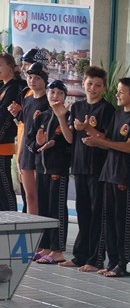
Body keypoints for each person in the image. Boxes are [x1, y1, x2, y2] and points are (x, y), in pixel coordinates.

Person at [83, 77, 130, 277]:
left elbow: (128, 147)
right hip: (109, 173)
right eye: (117, 91)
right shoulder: (118, 114)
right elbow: (107, 138)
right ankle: (112, 262)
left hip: (124, 175)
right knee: (108, 220)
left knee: (123, 220)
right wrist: (89, 131)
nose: (117, 94)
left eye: (121, 92)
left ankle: (125, 264)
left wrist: (101, 143)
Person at [59, 66, 115, 271]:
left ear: (104, 87)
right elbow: (70, 138)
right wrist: (60, 117)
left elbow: (107, 139)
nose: (93, 88)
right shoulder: (77, 107)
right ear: (83, 84)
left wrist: (88, 128)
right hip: (80, 165)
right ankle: (80, 256)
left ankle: (96, 259)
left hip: (98, 168)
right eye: (90, 84)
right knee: (83, 212)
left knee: (97, 213)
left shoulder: (107, 109)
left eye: (98, 85)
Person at [26, 80, 71, 264]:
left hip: (58, 170)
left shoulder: (68, 117)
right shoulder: (41, 116)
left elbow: (71, 144)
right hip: (41, 169)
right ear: (47, 94)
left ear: (65, 97)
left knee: (57, 209)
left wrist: (54, 144)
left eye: (60, 93)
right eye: (52, 92)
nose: (55, 96)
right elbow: (29, 143)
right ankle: (45, 246)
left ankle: (57, 250)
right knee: (43, 208)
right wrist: (38, 143)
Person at [9, 62, 50, 217]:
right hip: (26, 152)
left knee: (40, 196)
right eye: (30, 77)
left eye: (37, 78)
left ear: (45, 80)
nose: (32, 81)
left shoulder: (48, 102)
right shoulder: (27, 100)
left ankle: (41, 227)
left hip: (40, 153)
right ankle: (32, 227)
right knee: (29, 196)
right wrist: (20, 155)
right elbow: (26, 128)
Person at [0, 53, 25, 211]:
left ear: (11, 66)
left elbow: (6, 117)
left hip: (4, 144)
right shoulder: (3, 86)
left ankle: (11, 216)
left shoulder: (15, 87)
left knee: (4, 187)